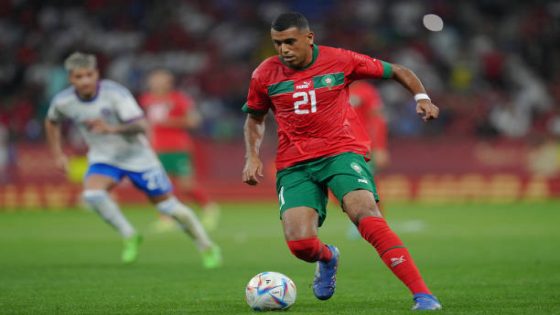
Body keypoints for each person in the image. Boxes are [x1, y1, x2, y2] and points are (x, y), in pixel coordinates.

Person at [242, 12, 441, 311]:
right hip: (294, 162)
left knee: (364, 211)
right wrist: (253, 155)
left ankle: (423, 295)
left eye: (290, 42)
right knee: (301, 245)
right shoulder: (264, 73)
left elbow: (398, 70)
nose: (283, 49)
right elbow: (255, 118)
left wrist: (421, 97)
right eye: (277, 43)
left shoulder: (340, 60)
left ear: (309, 38)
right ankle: (327, 257)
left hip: (340, 151)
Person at [44, 52, 222, 268]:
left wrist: (111, 128)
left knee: (170, 208)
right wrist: (58, 153)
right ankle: (130, 234)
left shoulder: (115, 94)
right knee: (92, 193)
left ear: (97, 74)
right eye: (79, 77)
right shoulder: (64, 101)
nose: (85, 81)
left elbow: (141, 125)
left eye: (89, 75)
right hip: (105, 158)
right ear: (71, 79)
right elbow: (52, 121)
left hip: (139, 158)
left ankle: (206, 246)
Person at [139, 69, 220, 232]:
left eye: (160, 80)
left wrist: (167, 122)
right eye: (153, 80)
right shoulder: (146, 100)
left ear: (168, 83)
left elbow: (194, 121)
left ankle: (209, 207)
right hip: (156, 148)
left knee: (186, 185)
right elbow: (145, 123)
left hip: (177, 147)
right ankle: (166, 218)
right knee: (161, 185)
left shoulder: (179, 99)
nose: (155, 83)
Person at [346, 81, 390, 239]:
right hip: (338, 146)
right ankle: (360, 219)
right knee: (339, 188)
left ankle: (376, 223)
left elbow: (378, 118)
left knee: (367, 186)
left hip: (362, 147)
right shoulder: (332, 87)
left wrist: (380, 146)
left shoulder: (365, 90)